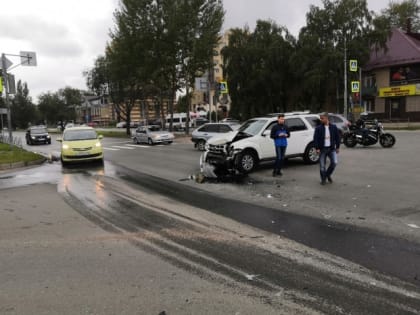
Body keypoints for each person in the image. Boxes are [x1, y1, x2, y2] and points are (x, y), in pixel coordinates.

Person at [313, 112, 341, 185]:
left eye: (322, 118)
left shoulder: (333, 127)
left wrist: (337, 147)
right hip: (322, 149)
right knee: (322, 166)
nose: (321, 120)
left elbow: (337, 138)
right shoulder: (318, 128)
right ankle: (323, 179)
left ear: (326, 118)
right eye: (320, 118)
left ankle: (327, 175)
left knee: (334, 162)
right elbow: (315, 139)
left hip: (331, 149)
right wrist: (317, 148)